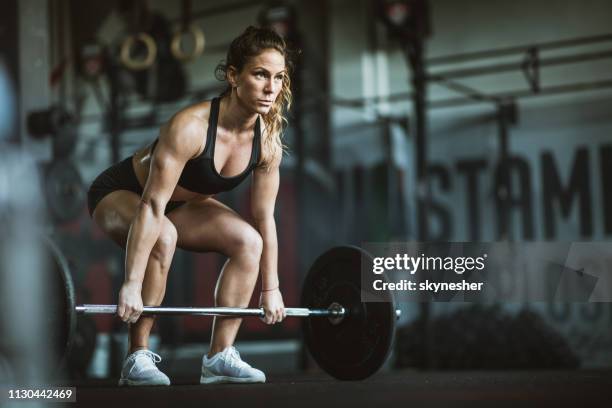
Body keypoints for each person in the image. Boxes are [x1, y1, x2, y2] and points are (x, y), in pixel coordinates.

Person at [87, 25, 292, 386]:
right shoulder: (190, 127)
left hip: (177, 206)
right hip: (122, 193)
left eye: (278, 77)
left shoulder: (267, 141)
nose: (270, 87)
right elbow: (152, 205)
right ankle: (136, 358)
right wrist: (131, 284)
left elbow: (264, 218)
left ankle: (218, 357)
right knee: (161, 235)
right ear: (233, 76)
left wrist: (271, 289)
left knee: (249, 243)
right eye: (260, 74)